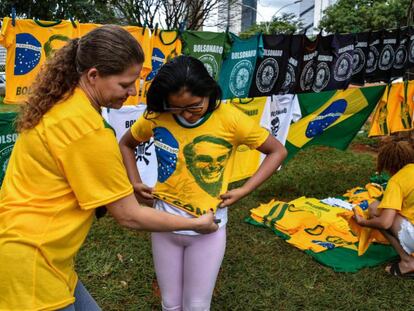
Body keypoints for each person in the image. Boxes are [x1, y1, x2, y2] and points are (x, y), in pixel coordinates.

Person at [0, 25, 218, 311]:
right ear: (93, 75)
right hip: (32, 263)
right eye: (125, 84)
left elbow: (74, 174)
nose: (132, 92)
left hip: (38, 252)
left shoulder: (64, 104)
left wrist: (126, 188)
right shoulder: (86, 128)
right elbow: (130, 216)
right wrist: (194, 224)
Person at [119, 55, 287, 310]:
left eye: (194, 106)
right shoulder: (158, 116)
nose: (186, 115)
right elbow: (126, 144)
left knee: (197, 305)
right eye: (176, 108)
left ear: (209, 91)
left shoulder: (230, 118)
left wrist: (244, 190)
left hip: (208, 229)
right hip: (164, 224)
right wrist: (135, 182)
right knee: (170, 304)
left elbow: (277, 151)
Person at [353, 139, 414, 278]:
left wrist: (363, 222)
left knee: (375, 210)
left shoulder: (397, 180)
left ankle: (408, 262)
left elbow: (385, 222)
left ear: (388, 165)